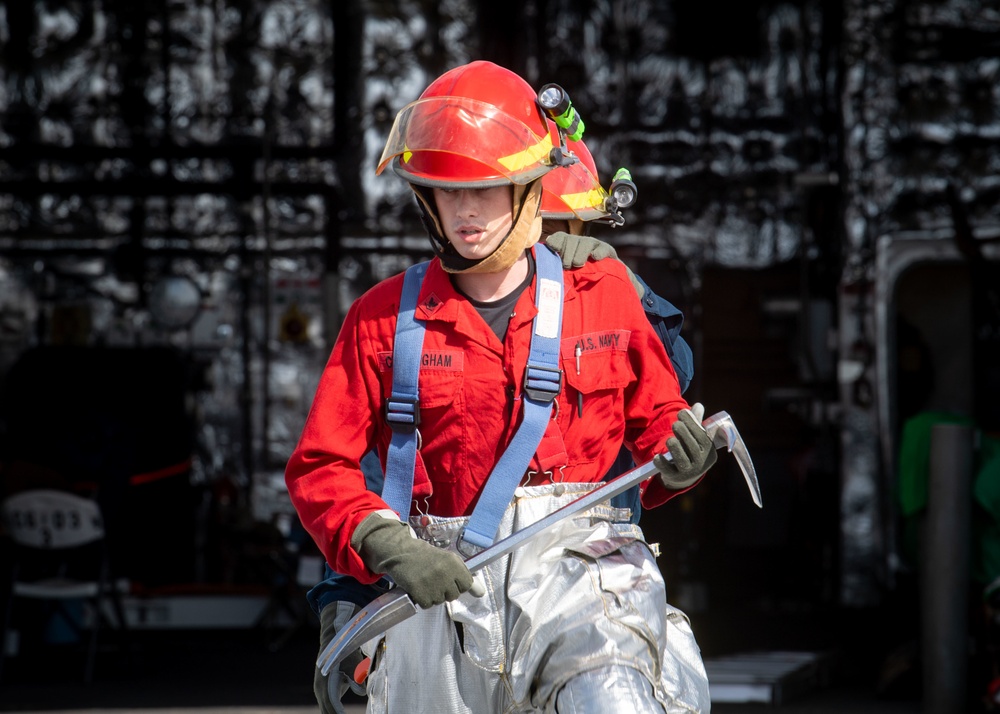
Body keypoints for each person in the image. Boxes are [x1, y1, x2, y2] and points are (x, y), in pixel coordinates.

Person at [286, 60, 717, 713]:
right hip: (437, 584)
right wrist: (355, 586)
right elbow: (342, 471)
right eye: (450, 192)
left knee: (612, 695)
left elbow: (655, 417)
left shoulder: (602, 302)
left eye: (490, 191)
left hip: (583, 571)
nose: (469, 212)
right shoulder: (388, 324)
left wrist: (679, 468)